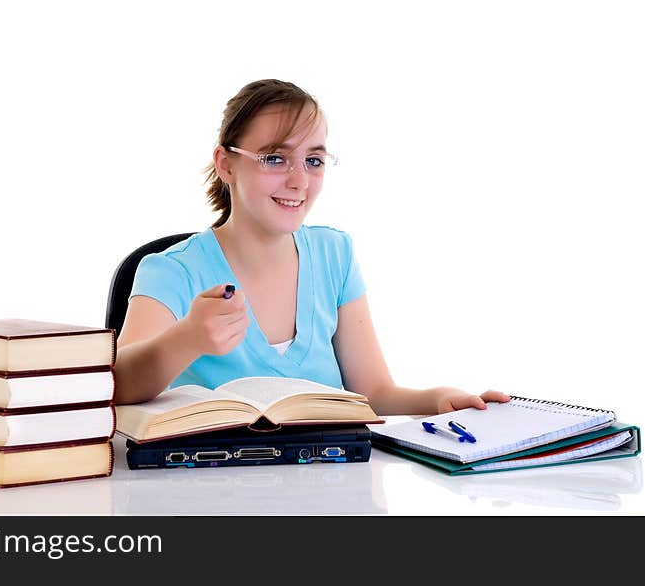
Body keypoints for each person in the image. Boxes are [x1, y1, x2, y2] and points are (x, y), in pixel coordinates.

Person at [114, 79, 509, 415]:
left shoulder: (334, 254)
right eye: (274, 159)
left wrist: (440, 400)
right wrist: (186, 339)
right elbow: (117, 385)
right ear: (226, 165)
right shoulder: (170, 271)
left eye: (314, 160)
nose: (299, 181)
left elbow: (373, 393)